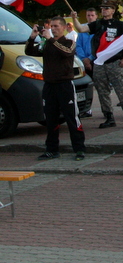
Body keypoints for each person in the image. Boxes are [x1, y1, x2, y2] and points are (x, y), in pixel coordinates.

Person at [71, 0, 123, 129]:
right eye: (102, 8)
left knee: (122, 89)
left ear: (113, 10)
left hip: (115, 62)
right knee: (102, 91)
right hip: (100, 63)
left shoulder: (119, 25)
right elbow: (81, 28)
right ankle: (109, 117)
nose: (104, 10)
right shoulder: (98, 24)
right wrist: (74, 18)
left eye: (107, 8)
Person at [27, 17, 86, 161]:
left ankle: (79, 149)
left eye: (56, 26)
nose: (53, 29)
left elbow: (66, 52)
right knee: (51, 118)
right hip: (49, 85)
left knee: (72, 117)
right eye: (51, 26)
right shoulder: (46, 43)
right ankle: (52, 149)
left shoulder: (69, 42)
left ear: (64, 27)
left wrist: (51, 40)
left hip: (65, 85)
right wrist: (32, 37)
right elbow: (30, 51)